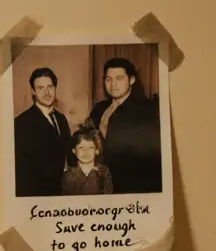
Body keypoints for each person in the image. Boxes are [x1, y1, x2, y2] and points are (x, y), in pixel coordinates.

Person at [86, 57, 162, 194]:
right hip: (99, 184)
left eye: (119, 78)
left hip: (131, 185)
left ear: (132, 80)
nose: (113, 84)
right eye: (108, 79)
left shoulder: (145, 110)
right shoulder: (99, 108)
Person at [13, 67, 71, 197]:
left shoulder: (61, 119)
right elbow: (21, 171)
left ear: (55, 88)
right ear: (33, 91)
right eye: (40, 88)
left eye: (50, 87)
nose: (47, 92)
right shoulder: (20, 123)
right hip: (36, 196)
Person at [62, 128, 113, 195]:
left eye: (90, 147)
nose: (86, 152)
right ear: (74, 150)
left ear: (97, 151)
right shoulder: (68, 175)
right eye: (81, 147)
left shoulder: (103, 172)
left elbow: (109, 196)